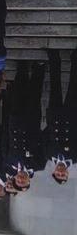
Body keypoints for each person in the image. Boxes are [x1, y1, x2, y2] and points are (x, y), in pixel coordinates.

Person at [3, 62, 46, 192]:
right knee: (34, 95)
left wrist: (7, 125)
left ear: (15, 179)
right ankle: (39, 68)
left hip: (15, 123)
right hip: (31, 124)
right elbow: (43, 146)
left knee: (18, 95)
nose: (21, 179)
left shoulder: (10, 162)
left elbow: (5, 141)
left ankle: (22, 69)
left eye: (19, 181)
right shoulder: (38, 165)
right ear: (28, 181)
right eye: (23, 182)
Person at [44, 49, 77, 184]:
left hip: (55, 118)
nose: (60, 172)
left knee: (55, 85)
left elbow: (45, 137)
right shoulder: (75, 157)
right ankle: (75, 58)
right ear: (67, 173)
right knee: (74, 85)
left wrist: (50, 124)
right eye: (63, 174)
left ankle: (54, 57)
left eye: (58, 174)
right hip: (72, 116)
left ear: (54, 171)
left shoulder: (49, 155)